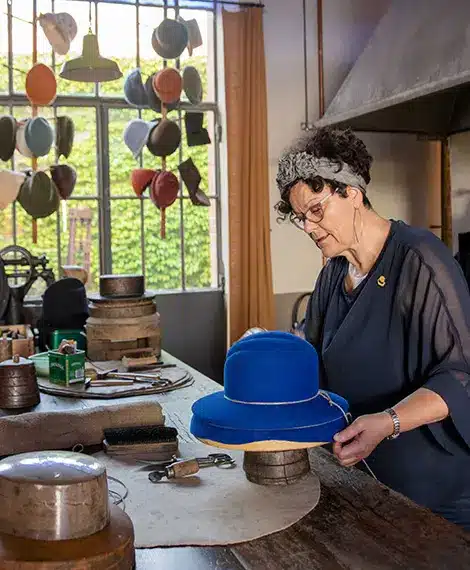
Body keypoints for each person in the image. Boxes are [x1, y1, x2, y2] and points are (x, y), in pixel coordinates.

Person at [275, 127, 470, 531]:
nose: (309, 228)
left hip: (434, 498)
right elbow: (312, 356)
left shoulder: (420, 261)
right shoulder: (332, 275)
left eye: (316, 210)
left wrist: (388, 422)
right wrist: (269, 354)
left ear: (352, 193)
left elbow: (461, 375)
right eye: (300, 218)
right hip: (364, 483)